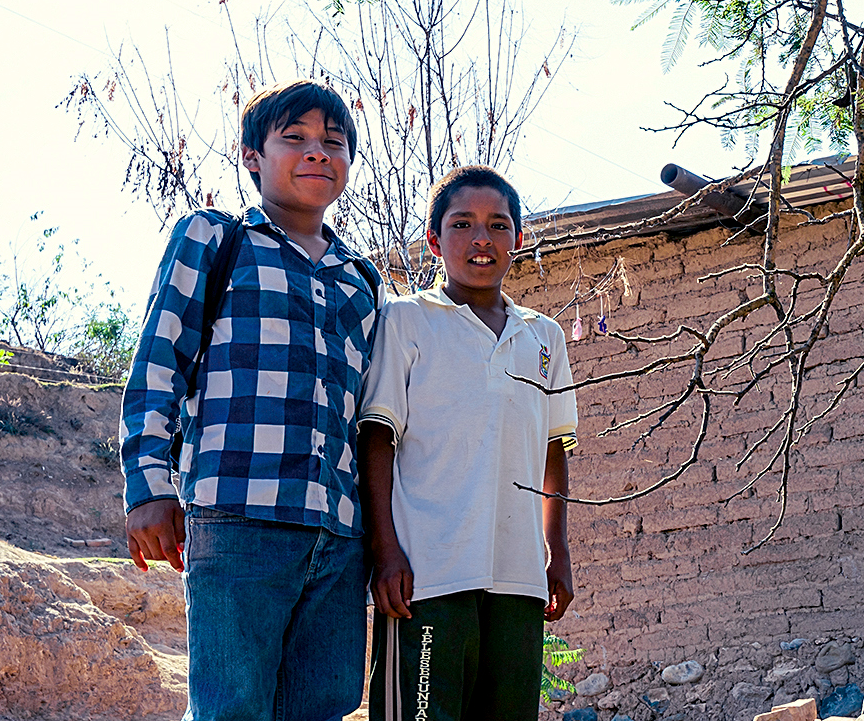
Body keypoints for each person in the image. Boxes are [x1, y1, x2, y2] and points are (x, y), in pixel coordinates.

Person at [119, 78, 380, 721]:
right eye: (294, 138)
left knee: (324, 705)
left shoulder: (363, 280)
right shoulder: (215, 240)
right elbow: (160, 360)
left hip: (339, 535)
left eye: (334, 142)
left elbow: (372, 417)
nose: (317, 152)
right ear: (252, 155)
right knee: (231, 708)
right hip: (239, 519)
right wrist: (148, 486)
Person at [358, 165, 576, 721]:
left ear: (518, 239)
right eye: (463, 224)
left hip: (518, 577)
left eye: (498, 225)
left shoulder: (542, 336)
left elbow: (554, 449)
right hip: (427, 575)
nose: (482, 238)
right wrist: (384, 552)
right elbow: (377, 439)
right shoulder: (407, 321)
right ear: (434, 241)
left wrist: (557, 552)